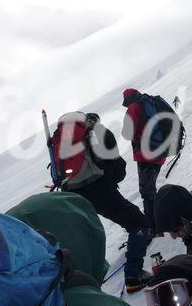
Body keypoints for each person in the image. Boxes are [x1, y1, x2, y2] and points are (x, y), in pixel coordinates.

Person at [62, 112, 152, 293]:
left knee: (82, 240)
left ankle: (75, 288)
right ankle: (134, 276)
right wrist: (112, 178)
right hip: (99, 189)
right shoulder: (98, 132)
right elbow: (115, 163)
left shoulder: (63, 140)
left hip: (73, 196)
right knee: (138, 222)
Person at [121, 88, 167, 236]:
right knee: (150, 188)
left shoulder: (134, 107)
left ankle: (154, 226)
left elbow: (127, 133)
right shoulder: (152, 102)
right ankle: (157, 221)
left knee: (147, 191)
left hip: (146, 155)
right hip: (160, 152)